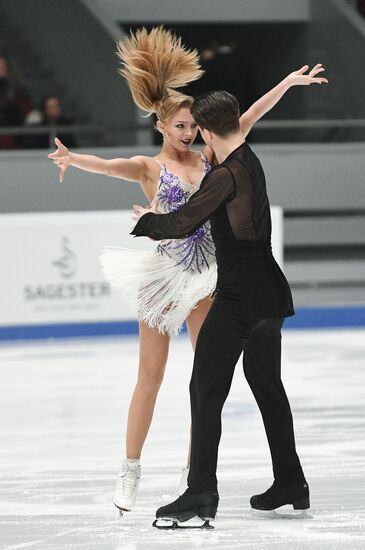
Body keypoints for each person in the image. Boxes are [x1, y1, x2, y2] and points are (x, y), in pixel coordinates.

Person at [48, 26, 327, 515]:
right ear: (161, 127)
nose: (189, 133)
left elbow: (243, 122)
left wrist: (284, 86)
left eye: (193, 127)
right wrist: (74, 157)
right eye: (180, 126)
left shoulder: (214, 161)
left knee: (207, 379)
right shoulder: (157, 165)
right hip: (167, 277)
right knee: (155, 376)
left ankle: (195, 475)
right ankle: (132, 470)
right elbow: (109, 166)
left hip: (209, 278)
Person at [131, 89, 328, 528]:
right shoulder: (247, 160)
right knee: (268, 389)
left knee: (205, 391)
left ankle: (200, 490)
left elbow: (183, 222)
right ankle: (291, 482)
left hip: (238, 295)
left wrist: (145, 221)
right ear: (235, 122)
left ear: (204, 128)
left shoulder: (222, 177)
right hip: (270, 292)